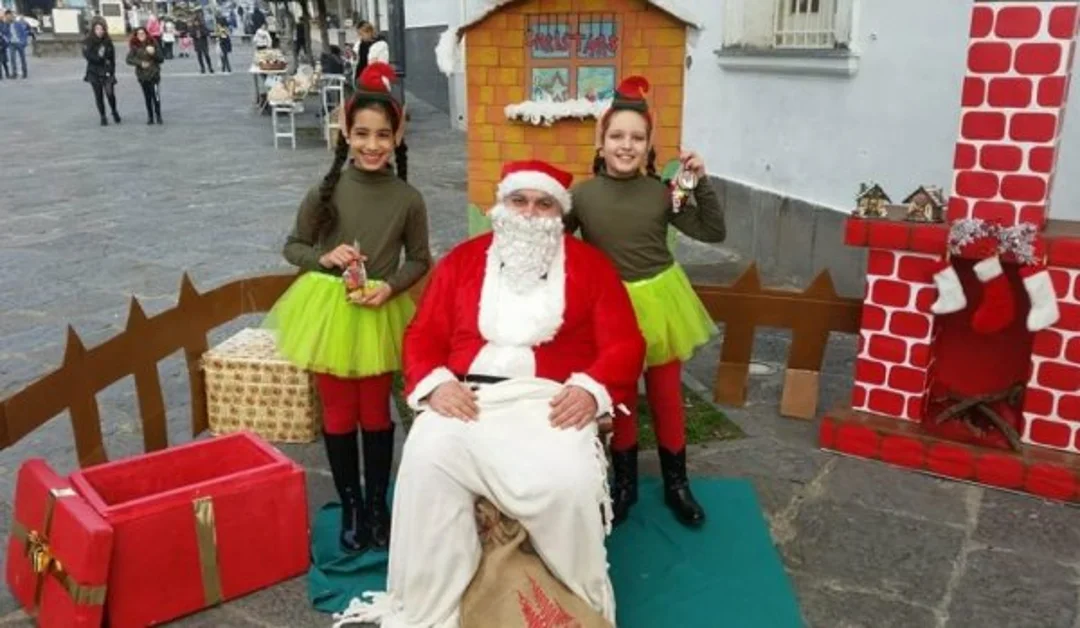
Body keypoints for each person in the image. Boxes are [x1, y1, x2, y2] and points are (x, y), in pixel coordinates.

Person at [333, 160, 646, 627]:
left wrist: (590, 389)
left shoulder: (591, 266)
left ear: (559, 213)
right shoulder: (462, 260)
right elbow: (423, 334)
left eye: (543, 204)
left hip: (549, 401)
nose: (529, 213)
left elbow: (625, 343)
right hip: (468, 397)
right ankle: (431, 606)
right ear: (500, 206)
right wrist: (436, 383)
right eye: (519, 201)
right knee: (427, 460)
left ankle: (574, 604)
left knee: (569, 482)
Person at [265, 62, 431, 556]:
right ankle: (352, 506)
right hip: (329, 314)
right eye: (362, 134)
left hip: (378, 312)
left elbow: (420, 259)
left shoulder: (408, 199)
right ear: (346, 131)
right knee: (338, 414)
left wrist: (392, 288)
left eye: (382, 135)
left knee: (375, 412)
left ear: (397, 135)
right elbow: (293, 246)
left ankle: (378, 505)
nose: (372, 145)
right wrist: (323, 258)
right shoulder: (326, 191)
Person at [565, 75, 726, 530]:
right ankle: (624, 484)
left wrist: (700, 182)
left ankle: (677, 484)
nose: (626, 145)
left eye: (637, 138)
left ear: (649, 145)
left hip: (660, 302)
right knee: (619, 397)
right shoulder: (582, 195)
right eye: (617, 135)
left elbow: (713, 230)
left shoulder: (664, 192)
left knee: (666, 395)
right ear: (601, 142)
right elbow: (555, 243)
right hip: (610, 308)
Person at [83, 17, 121, 126]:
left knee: (110, 93)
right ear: (93, 30)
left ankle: (114, 110)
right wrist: (99, 57)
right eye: (97, 29)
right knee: (98, 95)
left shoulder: (108, 42)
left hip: (106, 71)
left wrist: (112, 71)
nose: (100, 31)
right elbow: (88, 56)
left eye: (102, 29)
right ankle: (103, 116)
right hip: (94, 72)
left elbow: (112, 58)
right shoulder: (88, 42)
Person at [126, 26, 164, 125]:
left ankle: (158, 116)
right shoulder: (134, 46)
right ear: (136, 35)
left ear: (146, 34)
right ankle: (150, 116)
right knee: (147, 97)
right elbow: (129, 59)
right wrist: (140, 63)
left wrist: (153, 53)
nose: (141, 35)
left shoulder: (153, 43)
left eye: (143, 33)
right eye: (139, 34)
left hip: (154, 75)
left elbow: (161, 59)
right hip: (142, 76)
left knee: (156, 96)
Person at [1, 11, 31, 79]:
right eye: (7, 16)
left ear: (12, 16)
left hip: (19, 42)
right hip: (11, 43)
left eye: (9, 16)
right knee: (12, 59)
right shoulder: (6, 24)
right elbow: (4, 32)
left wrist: (24, 42)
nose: (8, 17)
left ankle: (24, 72)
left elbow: (23, 33)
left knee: (22, 58)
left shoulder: (18, 24)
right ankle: (14, 73)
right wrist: (6, 24)